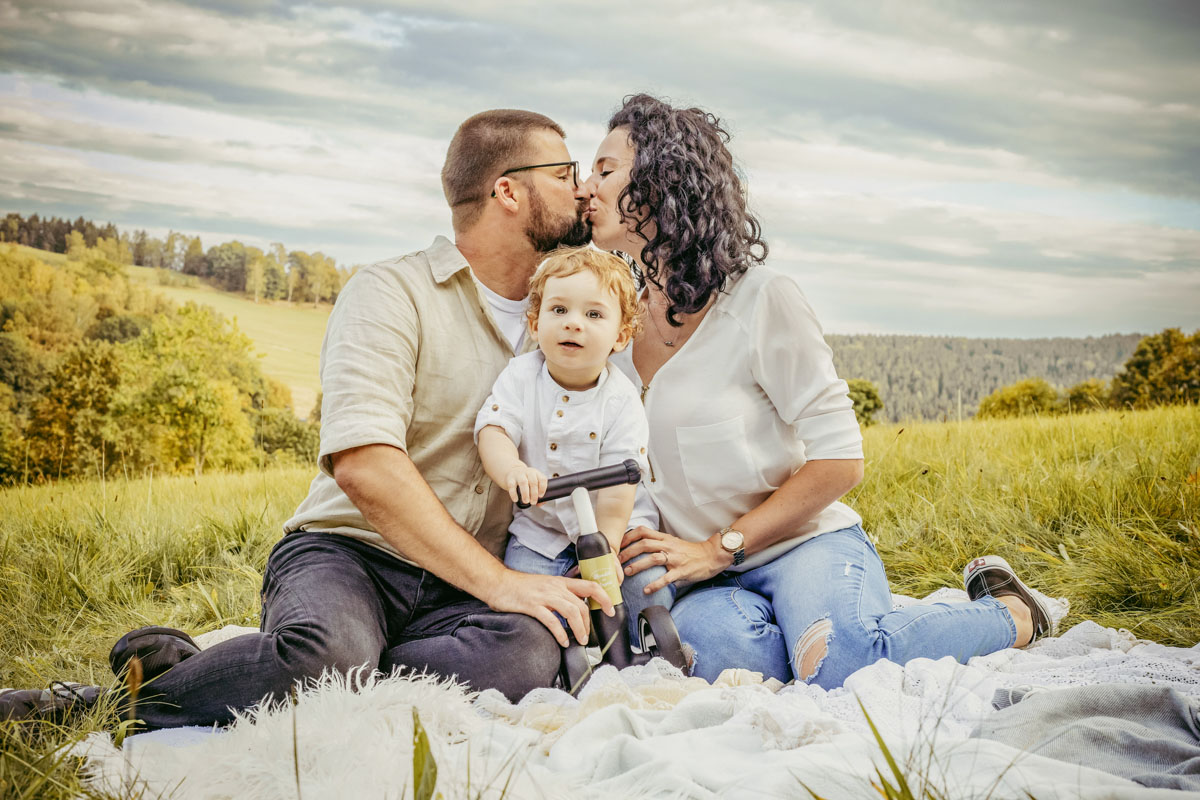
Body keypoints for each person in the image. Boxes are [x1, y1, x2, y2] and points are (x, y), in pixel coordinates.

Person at [0, 109, 617, 726]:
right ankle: (94, 705)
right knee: (326, 657)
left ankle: (223, 674)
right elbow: (364, 465)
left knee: (531, 652)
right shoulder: (390, 292)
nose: (583, 189)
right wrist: (503, 586)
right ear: (508, 190)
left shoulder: (567, 319)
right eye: (565, 173)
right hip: (348, 555)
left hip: (459, 590)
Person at [580, 94, 1056, 688]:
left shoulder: (761, 299)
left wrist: (717, 547)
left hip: (799, 543)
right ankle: (837, 629)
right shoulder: (609, 322)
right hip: (702, 575)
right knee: (728, 662)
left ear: (664, 180)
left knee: (840, 665)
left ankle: (1010, 613)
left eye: (604, 170)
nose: (585, 187)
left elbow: (841, 461)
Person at [475, 246, 672, 642]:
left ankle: (643, 647)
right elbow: (494, 429)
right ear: (534, 323)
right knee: (529, 608)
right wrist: (511, 469)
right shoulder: (520, 376)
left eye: (593, 314)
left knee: (645, 584)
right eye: (559, 310)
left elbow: (620, 487)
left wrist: (609, 548)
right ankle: (553, 650)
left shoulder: (621, 399)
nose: (573, 325)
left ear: (620, 336)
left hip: (614, 527)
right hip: (541, 532)